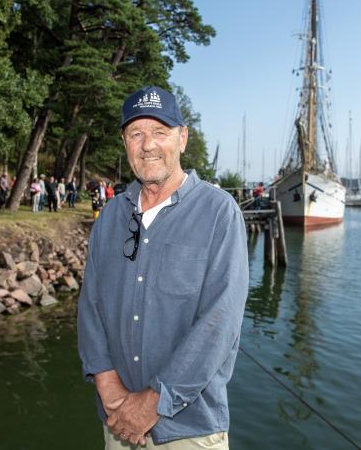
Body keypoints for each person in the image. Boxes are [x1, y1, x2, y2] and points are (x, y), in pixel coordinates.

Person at [78, 86, 249, 449]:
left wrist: (152, 403)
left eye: (160, 132)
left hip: (189, 430)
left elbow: (219, 324)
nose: (148, 145)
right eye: (136, 133)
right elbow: (90, 307)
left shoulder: (220, 213)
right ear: (125, 143)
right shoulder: (109, 218)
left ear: (182, 138)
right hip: (117, 423)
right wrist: (110, 390)